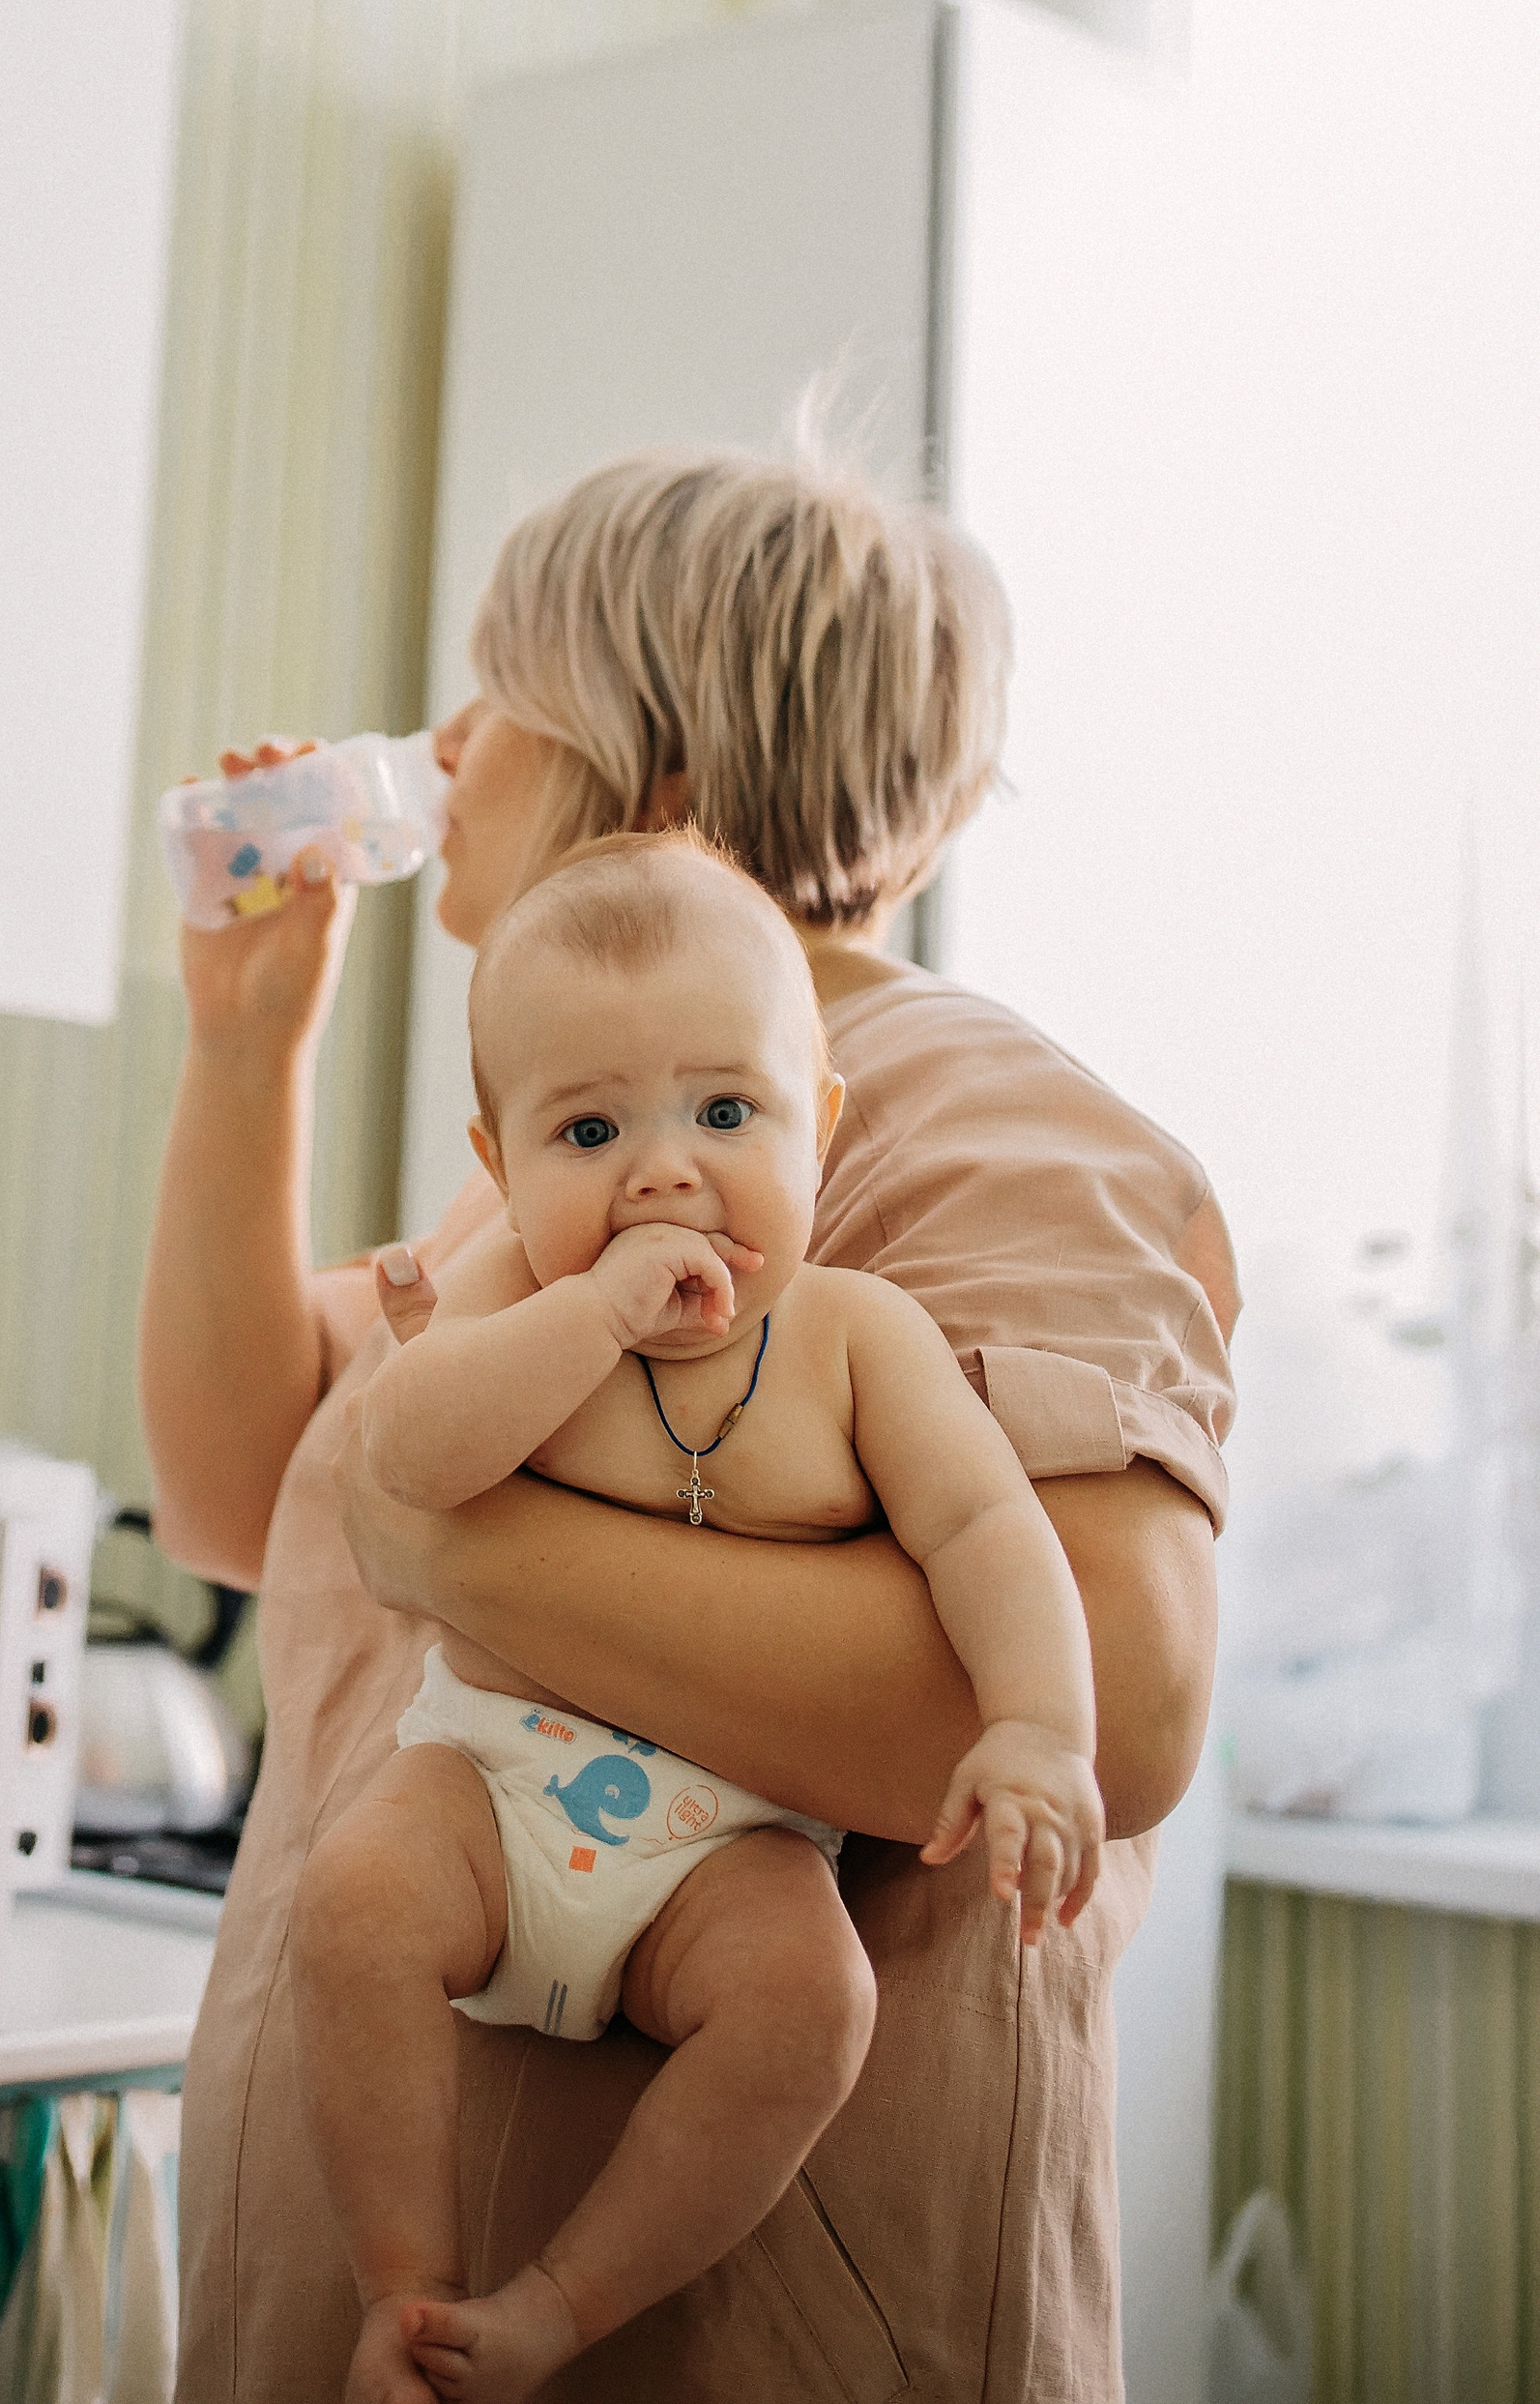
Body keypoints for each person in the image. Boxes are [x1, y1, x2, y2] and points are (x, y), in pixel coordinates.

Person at [140, 442, 1236, 2404]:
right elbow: (241, 1493)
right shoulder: (573, 1167)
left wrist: (460, 1543)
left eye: (498, 692)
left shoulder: (982, 1133)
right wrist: (244, 1052)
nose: (445, 747)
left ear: (646, 768)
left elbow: (1126, 1697)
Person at [290, 828, 1105, 2403]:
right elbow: (410, 1462)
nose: (663, 1170)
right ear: (501, 1163)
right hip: (491, 1781)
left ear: (822, 1125)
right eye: (590, 1129)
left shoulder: (859, 1339)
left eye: (726, 1113)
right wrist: (587, 1312)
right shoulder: (515, 1291)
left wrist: (1037, 1726)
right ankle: (408, 2291)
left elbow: (988, 1531)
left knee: (814, 2006)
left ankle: (555, 2309)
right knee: (354, 1906)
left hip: (733, 1841)